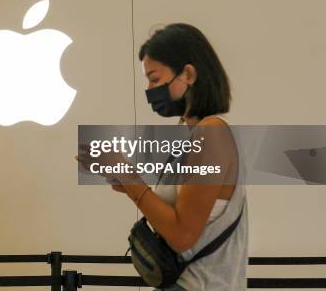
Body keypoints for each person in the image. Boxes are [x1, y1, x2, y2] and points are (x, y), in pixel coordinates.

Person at [77, 23, 248, 290]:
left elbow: (181, 235)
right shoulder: (196, 137)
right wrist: (126, 182)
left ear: (188, 74)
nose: (149, 90)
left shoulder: (211, 134)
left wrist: (129, 176)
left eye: (155, 79)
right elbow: (182, 220)